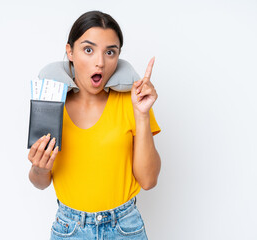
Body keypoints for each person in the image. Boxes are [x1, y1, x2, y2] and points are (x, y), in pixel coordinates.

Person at [28, 10, 161, 239]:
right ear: (70, 51)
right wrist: (39, 167)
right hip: (69, 229)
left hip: (124, 228)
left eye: (110, 52)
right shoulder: (50, 103)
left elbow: (148, 181)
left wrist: (142, 115)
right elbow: (40, 183)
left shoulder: (132, 101)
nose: (100, 62)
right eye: (88, 50)